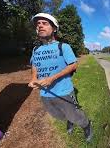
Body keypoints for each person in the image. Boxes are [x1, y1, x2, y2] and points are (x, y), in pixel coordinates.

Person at [27, 13, 93, 142]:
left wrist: (52, 78)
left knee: (74, 114)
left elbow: (73, 65)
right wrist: (34, 78)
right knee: (57, 115)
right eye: (38, 24)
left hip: (64, 92)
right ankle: (70, 120)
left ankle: (87, 125)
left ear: (54, 28)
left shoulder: (63, 46)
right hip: (45, 94)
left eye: (44, 23)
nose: (40, 25)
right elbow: (34, 65)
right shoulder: (35, 49)